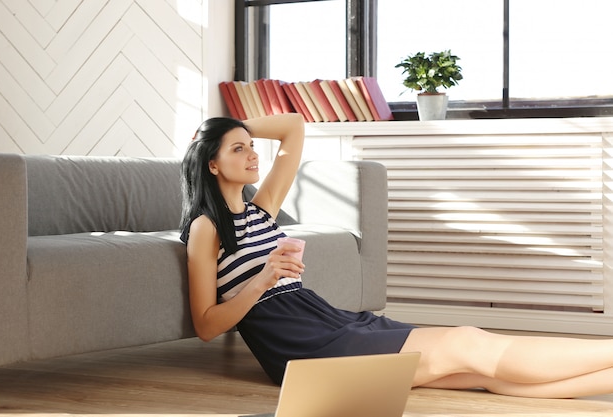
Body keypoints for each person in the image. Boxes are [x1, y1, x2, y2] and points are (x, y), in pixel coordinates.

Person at [180, 113, 613, 399]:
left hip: (329, 320)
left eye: (251, 144)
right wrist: (265, 277)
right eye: (237, 149)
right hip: (301, 347)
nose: (253, 152)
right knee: (467, 342)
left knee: (481, 373)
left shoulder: (261, 209)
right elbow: (205, 325)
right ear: (212, 164)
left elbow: (293, 127)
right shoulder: (207, 229)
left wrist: (227, 129)